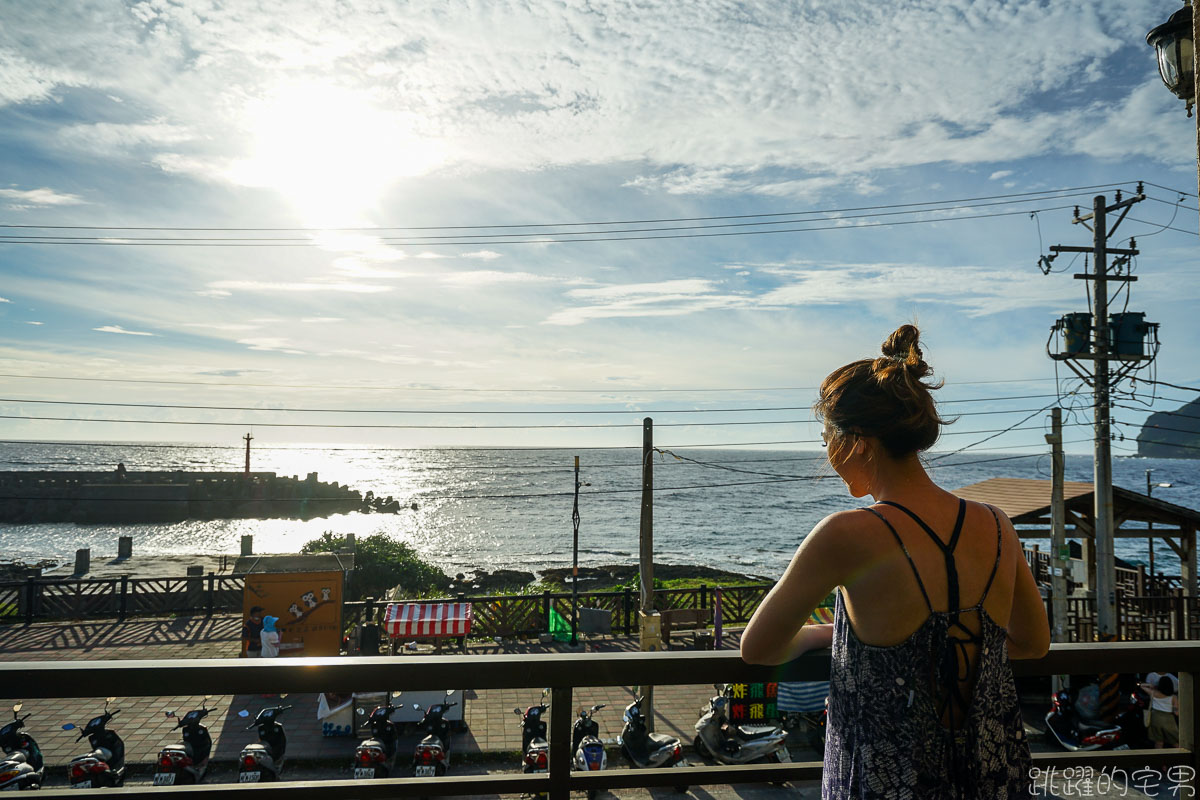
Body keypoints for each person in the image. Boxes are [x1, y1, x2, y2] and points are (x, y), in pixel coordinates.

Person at [741, 324, 1050, 800]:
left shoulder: (846, 534)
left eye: (827, 436)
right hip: (991, 772)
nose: (826, 452)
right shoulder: (997, 526)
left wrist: (819, 636)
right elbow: (1032, 642)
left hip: (888, 777)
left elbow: (758, 648)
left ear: (858, 441)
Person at [1142, 672, 1180, 747]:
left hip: (1155, 718)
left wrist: (1150, 685)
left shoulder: (1153, 693)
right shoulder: (1173, 697)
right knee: (1175, 742)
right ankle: (1181, 756)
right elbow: (1176, 713)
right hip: (1168, 720)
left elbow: (1142, 686)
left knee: (1158, 742)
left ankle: (1158, 758)